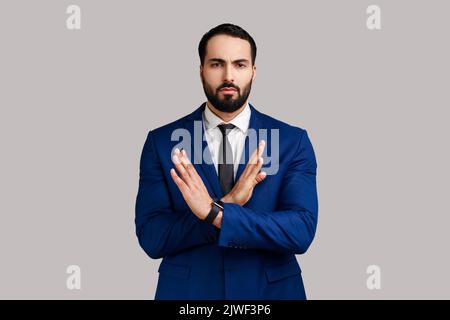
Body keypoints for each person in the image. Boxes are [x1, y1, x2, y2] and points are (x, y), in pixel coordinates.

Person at [135, 23, 318, 300]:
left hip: (270, 293)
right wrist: (231, 202)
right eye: (217, 64)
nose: (229, 76)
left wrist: (214, 213)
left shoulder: (293, 141)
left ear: (254, 71)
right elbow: (152, 237)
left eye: (240, 65)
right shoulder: (161, 142)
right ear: (201, 70)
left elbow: (300, 231)